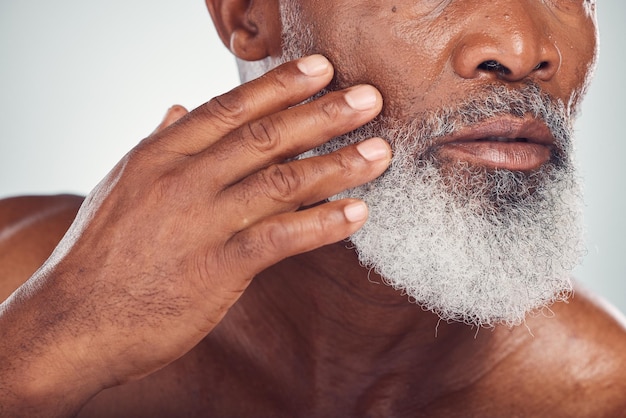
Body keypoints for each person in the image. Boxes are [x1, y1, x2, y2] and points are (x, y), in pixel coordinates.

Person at [1, 0, 625, 416]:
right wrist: (44, 350)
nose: (523, 48)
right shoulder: (15, 287)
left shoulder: (605, 393)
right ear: (251, 15)